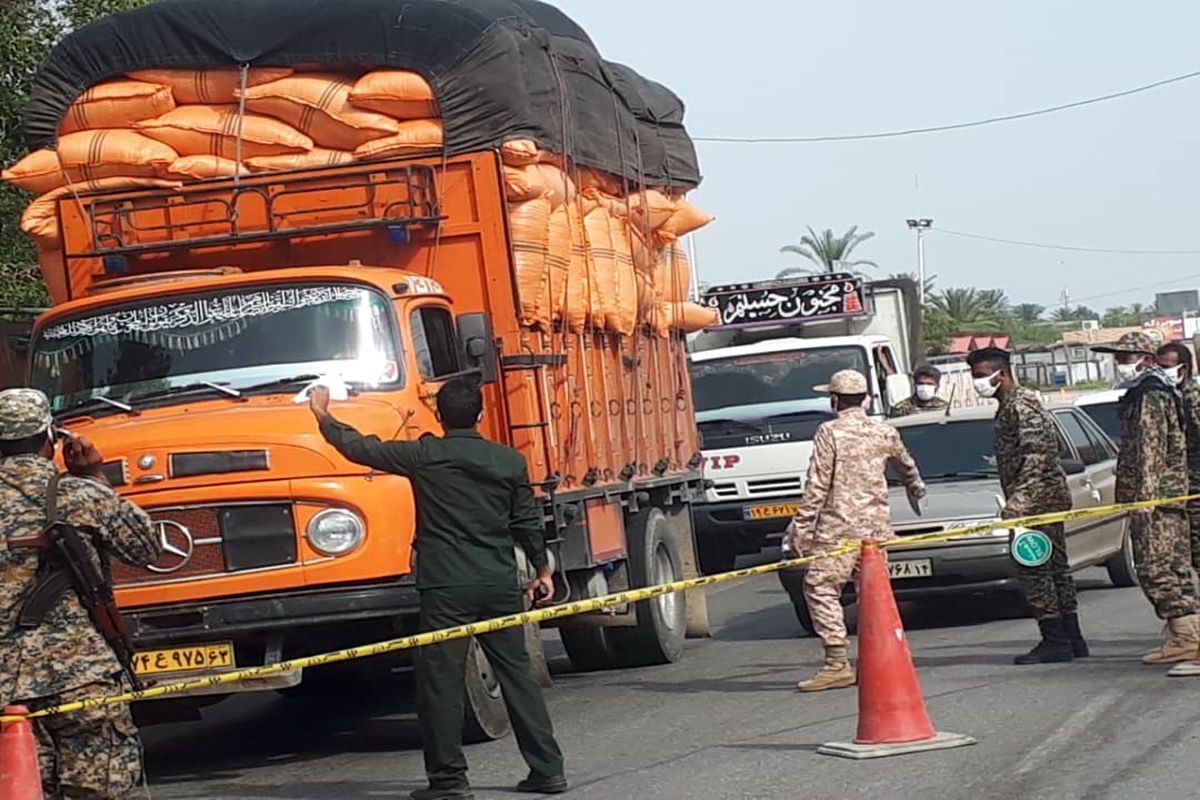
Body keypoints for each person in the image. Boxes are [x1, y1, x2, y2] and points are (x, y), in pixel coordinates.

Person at [308, 377, 565, 800]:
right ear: (480, 415)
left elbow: (360, 447)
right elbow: (526, 523)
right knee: (517, 676)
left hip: (445, 586)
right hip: (498, 582)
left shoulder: (425, 455)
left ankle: (449, 781)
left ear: (440, 416)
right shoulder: (508, 461)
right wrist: (542, 570)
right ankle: (548, 771)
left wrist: (323, 415)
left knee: (441, 684)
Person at [0, 387, 160, 799]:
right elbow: (146, 549)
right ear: (51, 437)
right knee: (101, 791)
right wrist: (95, 478)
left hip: (4, 694)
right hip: (82, 678)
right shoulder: (79, 494)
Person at [784, 369, 925, 692]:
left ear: (834, 400)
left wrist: (801, 529)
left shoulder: (829, 432)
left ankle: (837, 663)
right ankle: (878, 661)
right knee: (873, 595)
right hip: (876, 529)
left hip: (838, 529)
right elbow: (908, 467)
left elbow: (817, 484)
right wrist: (915, 490)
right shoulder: (884, 431)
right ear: (865, 399)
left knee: (820, 587)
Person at [967, 347, 1084, 663]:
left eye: (980, 376)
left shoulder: (1020, 407)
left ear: (1000, 374)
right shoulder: (1009, 407)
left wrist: (1019, 501)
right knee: (1054, 569)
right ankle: (1072, 639)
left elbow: (1038, 455)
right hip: (1042, 498)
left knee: (1037, 570)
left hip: (1037, 502)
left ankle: (1057, 639)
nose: (977, 383)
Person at [1092, 332, 1198, 665]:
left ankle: (1185, 636)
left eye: (1124, 357)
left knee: (1155, 568)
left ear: (1145, 358)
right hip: (1168, 494)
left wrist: (1145, 500)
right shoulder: (1156, 391)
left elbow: (1151, 450)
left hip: (1156, 498)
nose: (1119, 364)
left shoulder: (1150, 394)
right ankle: (1190, 633)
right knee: (1175, 566)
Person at [1155, 342, 1200, 678]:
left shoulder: (1191, 400)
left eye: (1168, 365)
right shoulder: (1175, 398)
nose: (1164, 371)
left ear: (1184, 367)